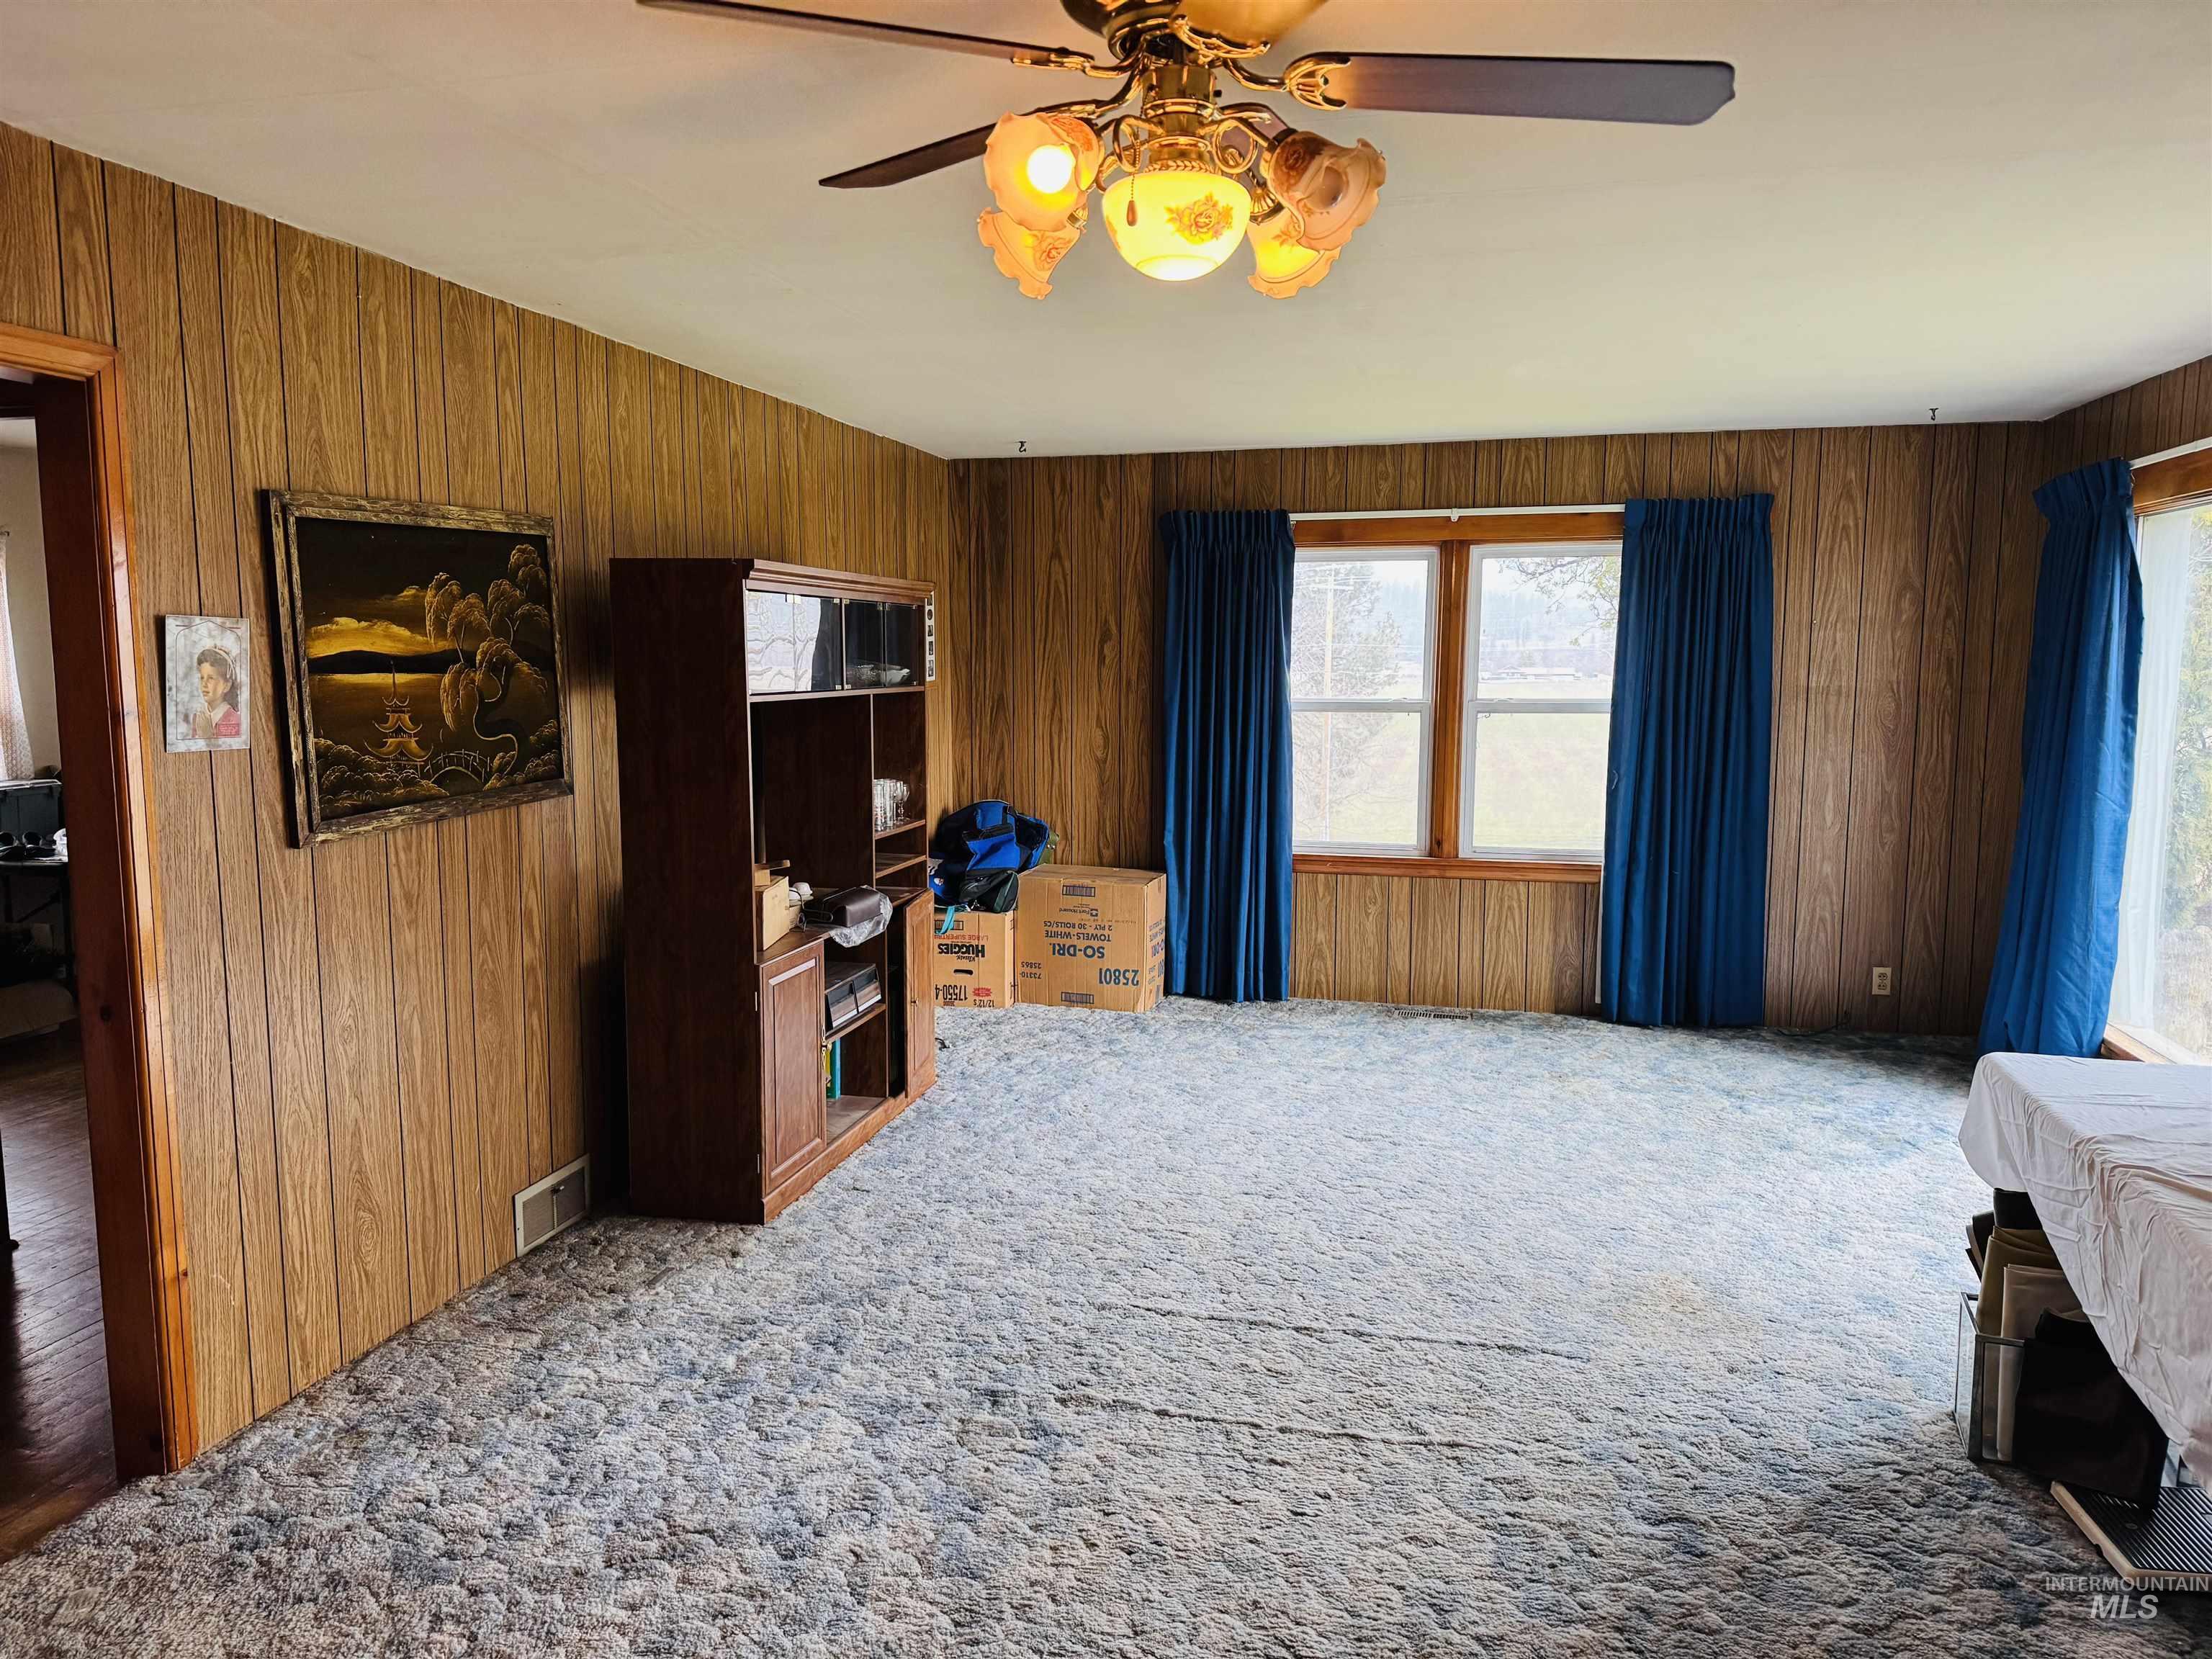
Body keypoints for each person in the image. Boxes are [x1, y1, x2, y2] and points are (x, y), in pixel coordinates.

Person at [192, 644, 242, 742]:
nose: (204, 684)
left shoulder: (235, 720)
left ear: (227, 685)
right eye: (202, 678)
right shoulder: (197, 718)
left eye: (211, 678)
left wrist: (208, 737)